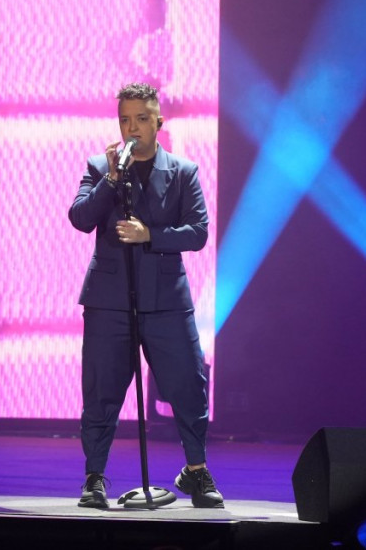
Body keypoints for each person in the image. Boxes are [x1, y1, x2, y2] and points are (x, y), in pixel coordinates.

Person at [68, 82, 223, 509]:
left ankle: (196, 471)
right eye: (125, 120)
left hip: (166, 300)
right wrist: (110, 180)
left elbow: (198, 232)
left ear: (159, 122)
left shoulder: (183, 171)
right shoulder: (100, 167)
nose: (132, 128)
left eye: (141, 119)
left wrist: (149, 235)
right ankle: (94, 478)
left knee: (188, 384)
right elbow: (80, 217)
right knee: (101, 390)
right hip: (109, 300)